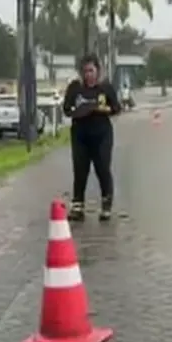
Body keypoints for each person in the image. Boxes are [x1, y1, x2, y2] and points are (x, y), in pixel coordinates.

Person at [62, 53, 121, 222]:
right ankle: (78, 206)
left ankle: (106, 204)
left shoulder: (105, 88)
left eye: (91, 70)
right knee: (80, 169)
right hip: (80, 134)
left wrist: (103, 110)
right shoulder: (75, 88)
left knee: (102, 167)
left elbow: (116, 108)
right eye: (85, 71)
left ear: (97, 71)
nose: (88, 75)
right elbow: (67, 109)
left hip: (101, 134)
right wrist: (79, 111)